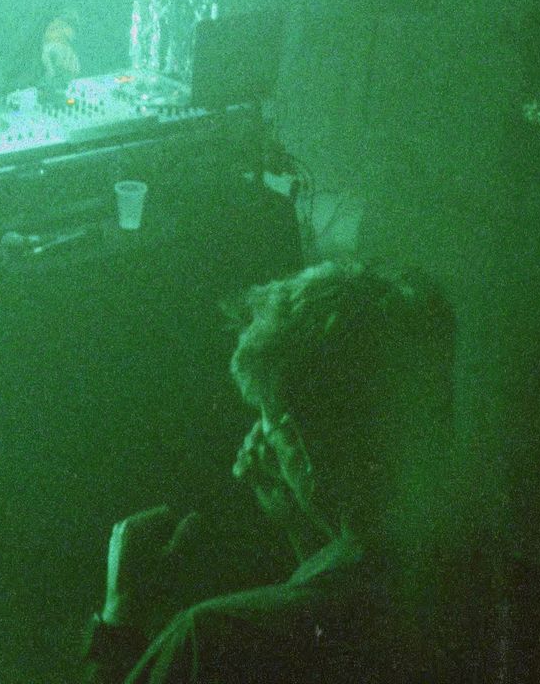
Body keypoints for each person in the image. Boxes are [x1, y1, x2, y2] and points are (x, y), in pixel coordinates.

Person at [83, 262, 460, 684]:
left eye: (267, 422)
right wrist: (306, 526)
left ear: (300, 438)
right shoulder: (487, 583)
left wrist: (120, 612)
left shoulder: (211, 638)